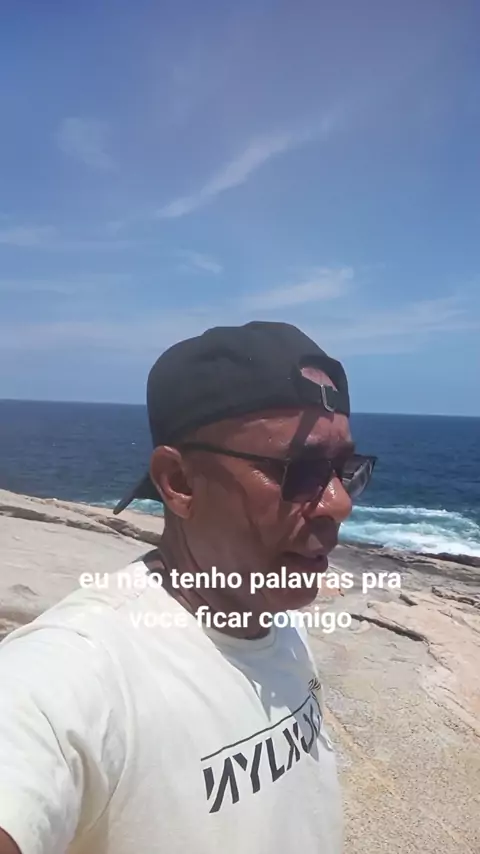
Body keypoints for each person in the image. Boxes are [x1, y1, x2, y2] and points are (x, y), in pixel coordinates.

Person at [0, 321, 376, 854]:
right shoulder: (76, 673)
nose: (339, 503)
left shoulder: (272, 615)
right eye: (302, 470)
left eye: (343, 469)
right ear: (178, 483)